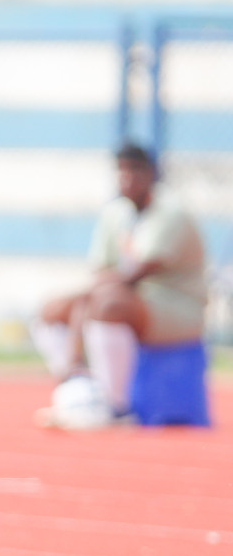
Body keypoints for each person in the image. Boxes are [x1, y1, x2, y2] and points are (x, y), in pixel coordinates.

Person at [33, 143, 208, 422]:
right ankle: (76, 390)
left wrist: (84, 309)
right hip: (125, 299)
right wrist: (81, 310)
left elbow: (135, 275)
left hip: (176, 305)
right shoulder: (115, 213)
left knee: (108, 305)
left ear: (152, 174)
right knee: (50, 311)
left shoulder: (170, 212)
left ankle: (116, 408)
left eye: (136, 171)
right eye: (122, 171)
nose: (128, 178)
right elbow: (101, 272)